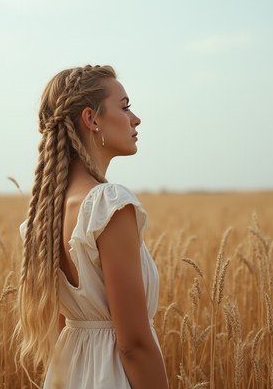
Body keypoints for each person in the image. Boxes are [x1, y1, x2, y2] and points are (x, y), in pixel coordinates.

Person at [15, 65, 168, 388]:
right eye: (125, 106)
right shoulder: (108, 205)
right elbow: (134, 346)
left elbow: (61, 323)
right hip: (112, 378)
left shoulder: (41, 220)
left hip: (67, 375)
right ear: (92, 119)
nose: (135, 119)